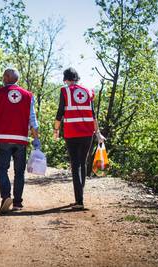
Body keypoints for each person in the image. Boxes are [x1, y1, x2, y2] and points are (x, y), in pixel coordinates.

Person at [0, 68, 40, 213]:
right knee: (19, 172)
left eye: (4, 75)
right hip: (21, 139)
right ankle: (17, 203)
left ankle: (6, 197)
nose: (3, 78)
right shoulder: (28, 96)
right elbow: (33, 120)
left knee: (2, 169)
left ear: (8, 77)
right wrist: (36, 139)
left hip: (3, 138)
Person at [53, 67, 105, 210]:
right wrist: (98, 133)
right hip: (88, 132)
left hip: (72, 132)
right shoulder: (88, 91)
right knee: (82, 163)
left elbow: (60, 112)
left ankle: (79, 201)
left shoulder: (65, 91)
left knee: (75, 165)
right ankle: (79, 198)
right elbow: (93, 114)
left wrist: (56, 130)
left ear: (66, 79)